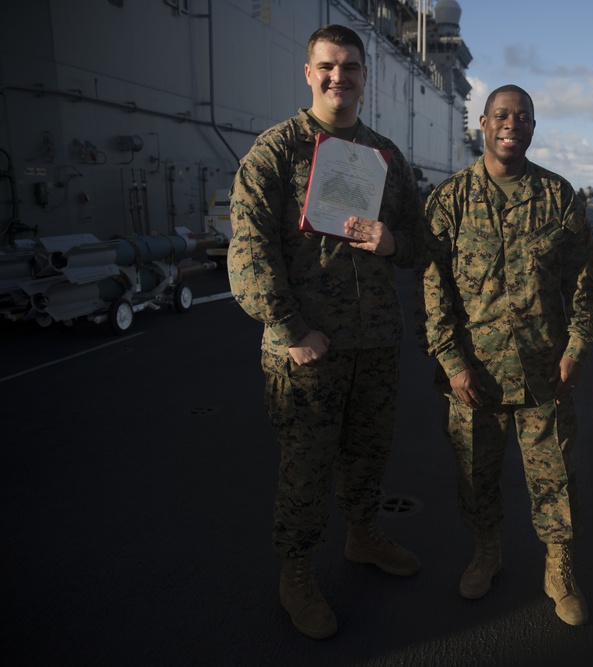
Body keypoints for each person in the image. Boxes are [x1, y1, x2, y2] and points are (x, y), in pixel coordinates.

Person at [227, 24, 422, 640]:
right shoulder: (276, 151)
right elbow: (248, 252)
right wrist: (290, 328)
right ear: (309, 73)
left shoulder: (386, 157)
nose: (340, 77)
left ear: (367, 77)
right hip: (306, 347)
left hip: (375, 342)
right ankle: (297, 574)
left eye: (352, 67)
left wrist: (394, 242)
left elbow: (419, 243)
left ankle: (363, 536)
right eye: (328, 67)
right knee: (306, 468)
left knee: (369, 454)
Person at [415, 85, 593, 626]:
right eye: (501, 115)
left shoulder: (558, 195)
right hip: (474, 378)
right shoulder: (449, 199)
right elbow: (432, 292)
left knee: (556, 480)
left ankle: (559, 568)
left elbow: (585, 283)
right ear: (482, 121)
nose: (511, 125)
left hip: (546, 372)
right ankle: (487, 552)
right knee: (475, 478)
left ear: (532, 126)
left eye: (522, 117)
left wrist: (576, 348)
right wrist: (452, 362)